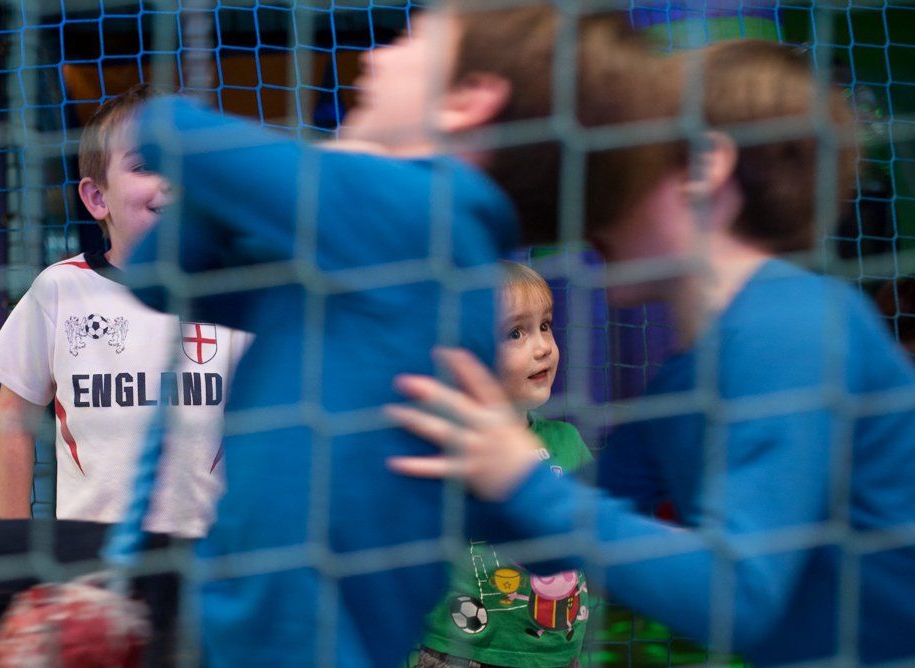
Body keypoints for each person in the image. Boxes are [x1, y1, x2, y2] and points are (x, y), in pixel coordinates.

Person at [124, 6, 667, 667]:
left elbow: (164, 129)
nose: (374, 58)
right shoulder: (433, 257)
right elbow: (162, 283)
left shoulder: (403, 212)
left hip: (288, 635)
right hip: (282, 628)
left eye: (410, 41)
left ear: (469, 100)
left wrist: (333, 157)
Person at [386, 40, 915, 666]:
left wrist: (519, 475)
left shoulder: (793, 328)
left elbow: (737, 597)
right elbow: (553, 536)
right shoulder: (682, 380)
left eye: (615, 173)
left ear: (701, 167)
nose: (591, 207)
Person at [0, 82, 252, 536]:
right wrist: (12, 546)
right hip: (92, 553)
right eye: (146, 165)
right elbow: (12, 425)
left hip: (211, 549)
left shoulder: (235, 290)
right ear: (96, 198)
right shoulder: (61, 289)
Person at [416, 261, 592, 668]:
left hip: (556, 655)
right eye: (516, 332)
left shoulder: (568, 443)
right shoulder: (446, 445)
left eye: (545, 325)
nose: (543, 346)